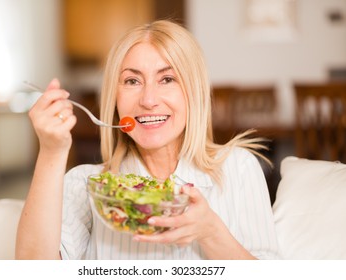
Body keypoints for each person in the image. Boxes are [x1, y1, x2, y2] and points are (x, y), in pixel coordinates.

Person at [16, 20, 279, 260]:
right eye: (132, 81)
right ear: (115, 98)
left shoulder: (239, 168)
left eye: (167, 79)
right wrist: (52, 151)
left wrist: (210, 232)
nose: (148, 100)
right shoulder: (87, 185)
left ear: (194, 92)